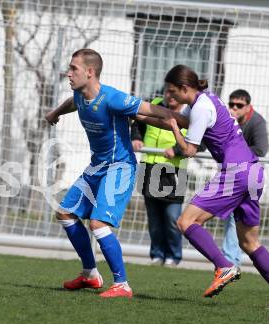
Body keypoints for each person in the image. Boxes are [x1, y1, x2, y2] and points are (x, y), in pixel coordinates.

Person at [45, 49, 182, 298]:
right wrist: (55, 113)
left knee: (98, 223)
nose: (68, 73)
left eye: (73, 68)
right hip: (97, 166)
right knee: (65, 213)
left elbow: (151, 110)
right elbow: (72, 103)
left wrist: (183, 122)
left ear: (90, 72)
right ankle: (90, 275)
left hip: (120, 168)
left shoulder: (113, 98)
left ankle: (122, 284)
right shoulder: (79, 95)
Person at [162, 64, 269, 310]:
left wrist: (173, 127)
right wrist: (156, 117)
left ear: (184, 88)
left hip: (236, 172)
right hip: (253, 172)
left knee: (186, 222)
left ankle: (223, 266)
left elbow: (190, 150)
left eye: (172, 92)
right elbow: (189, 123)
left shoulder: (200, 107)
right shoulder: (208, 99)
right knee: (249, 243)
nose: (169, 97)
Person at [131, 90, 188, 267]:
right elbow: (137, 125)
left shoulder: (190, 113)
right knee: (154, 218)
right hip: (148, 166)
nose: (170, 95)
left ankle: (173, 257)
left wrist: (177, 149)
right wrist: (136, 138)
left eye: (174, 92)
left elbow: (199, 142)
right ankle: (157, 255)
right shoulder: (152, 104)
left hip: (174, 170)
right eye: (167, 91)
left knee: (172, 218)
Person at [222, 89, 269, 266]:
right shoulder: (228, 121)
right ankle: (230, 261)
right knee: (230, 218)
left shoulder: (257, 122)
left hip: (250, 176)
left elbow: (261, 149)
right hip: (230, 173)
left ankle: (231, 262)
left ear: (248, 107)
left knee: (241, 223)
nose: (234, 108)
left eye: (239, 105)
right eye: (231, 104)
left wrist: (234, 152)